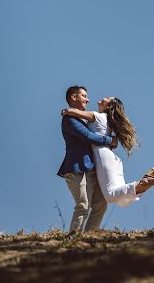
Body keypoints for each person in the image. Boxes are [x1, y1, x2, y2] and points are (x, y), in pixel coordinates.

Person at [61, 95, 154, 208]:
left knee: (111, 195)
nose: (104, 98)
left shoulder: (98, 116)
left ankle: (148, 181)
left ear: (108, 106)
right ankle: (147, 181)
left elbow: (75, 113)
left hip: (103, 157)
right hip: (111, 158)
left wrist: (67, 110)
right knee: (121, 198)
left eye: (107, 98)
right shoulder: (106, 120)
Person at [57, 85, 118, 233]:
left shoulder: (82, 118)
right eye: (84, 96)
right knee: (83, 204)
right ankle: (73, 238)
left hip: (89, 169)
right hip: (75, 169)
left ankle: (89, 235)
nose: (88, 99)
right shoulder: (69, 119)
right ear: (73, 97)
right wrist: (110, 140)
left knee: (101, 202)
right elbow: (87, 136)